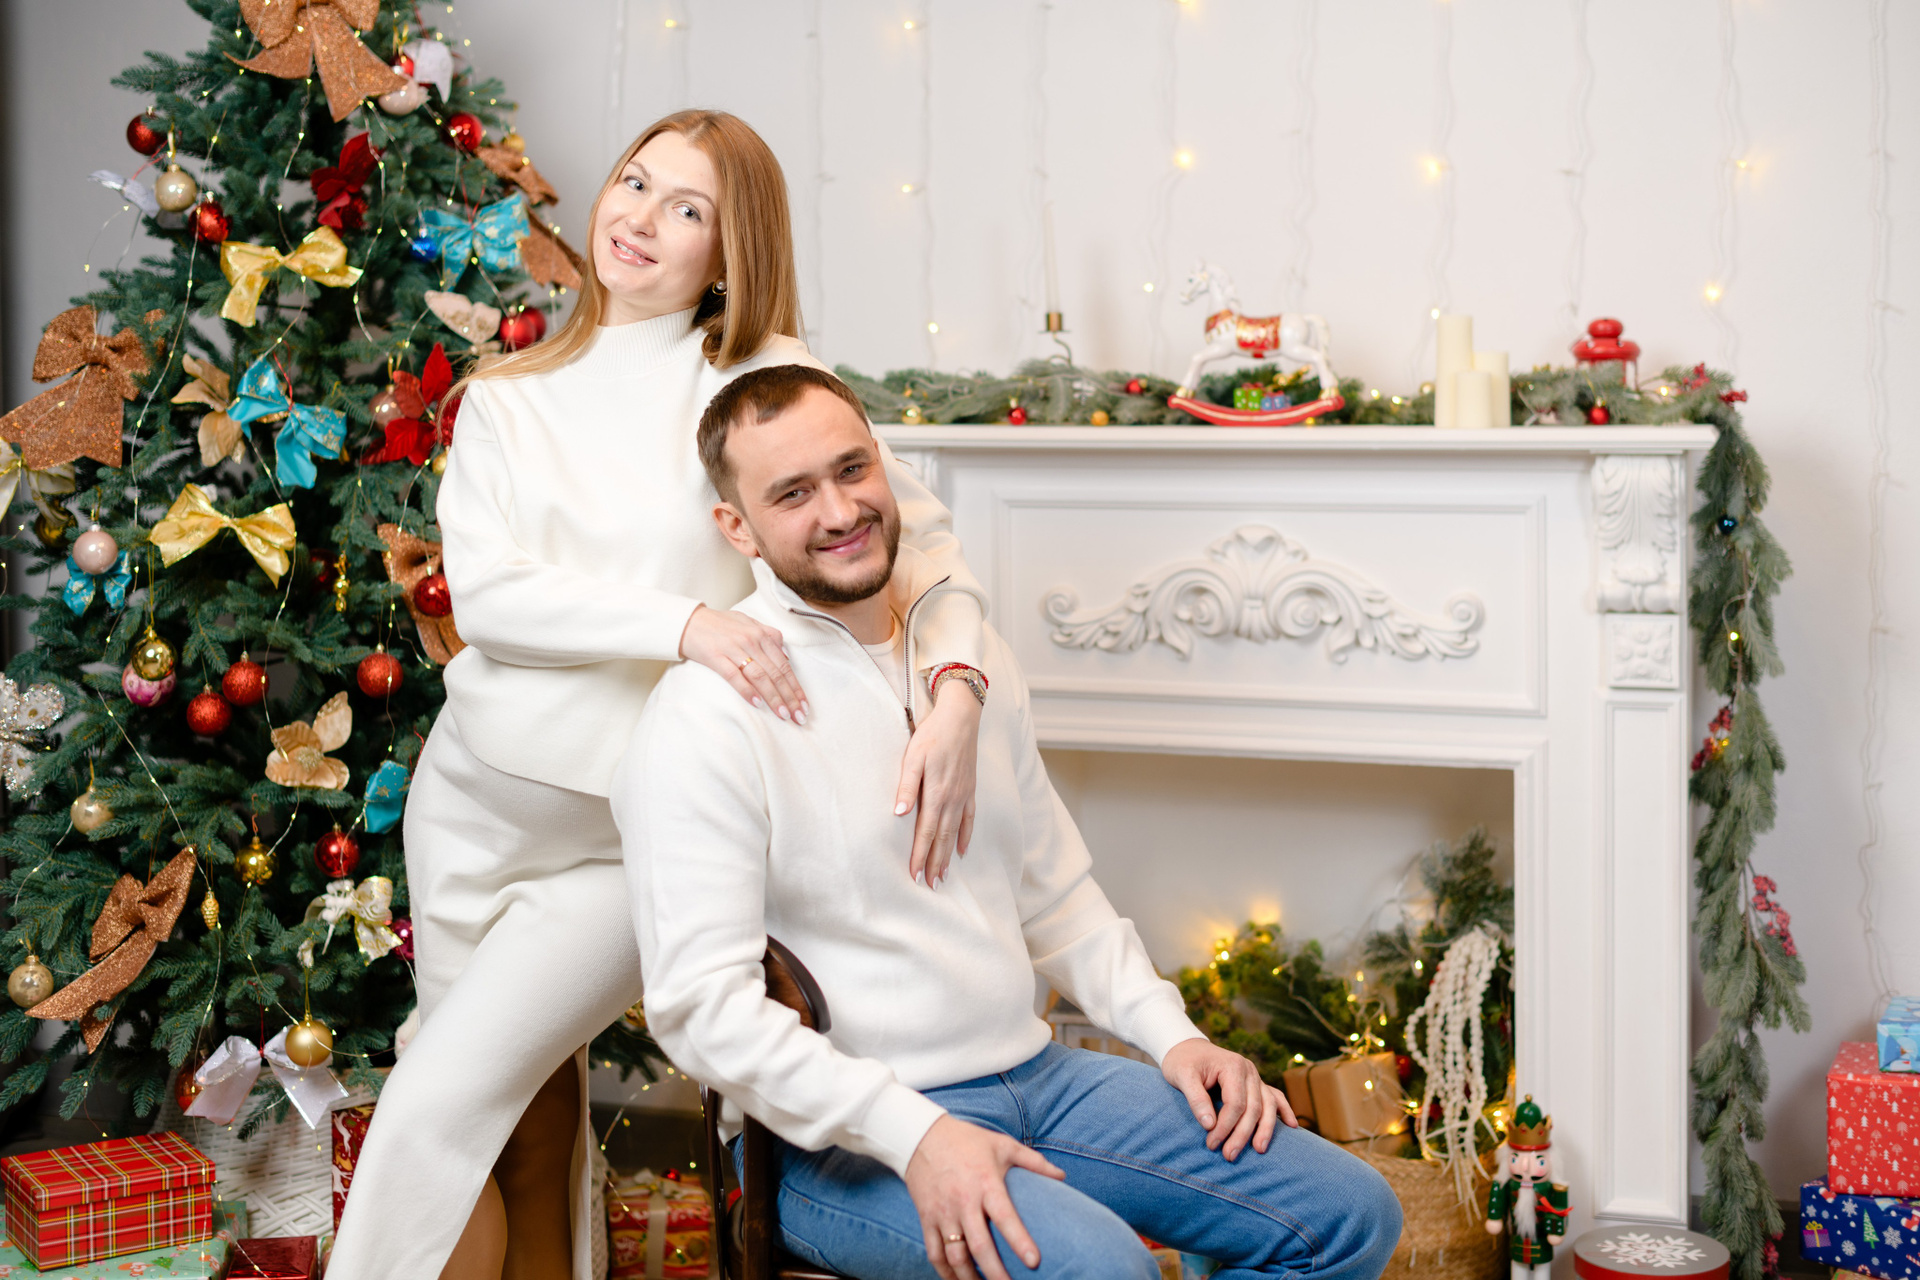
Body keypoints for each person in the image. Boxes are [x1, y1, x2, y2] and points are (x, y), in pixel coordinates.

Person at [330, 112, 991, 1280]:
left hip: (622, 830)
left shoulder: (760, 380)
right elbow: (489, 598)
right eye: (635, 182)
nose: (639, 218)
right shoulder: (508, 394)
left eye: (688, 208)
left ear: (729, 251)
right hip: (472, 806)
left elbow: (920, 544)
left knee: (430, 1108)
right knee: (505, 1123)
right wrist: (685, 624)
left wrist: (959, 690)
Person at [617, 364, 1404, 1280]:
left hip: (1040, 1081)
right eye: (793, 494)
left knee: (1348, 1215)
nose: (840, 511)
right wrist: (915, 1134)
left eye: (852, 469)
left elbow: (1056, 896)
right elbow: (701, 1011)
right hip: (844, 1143)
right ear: (737, 527)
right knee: (1102, 1270)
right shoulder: (705, 714)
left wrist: (1176, 1036)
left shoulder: (970, 661)